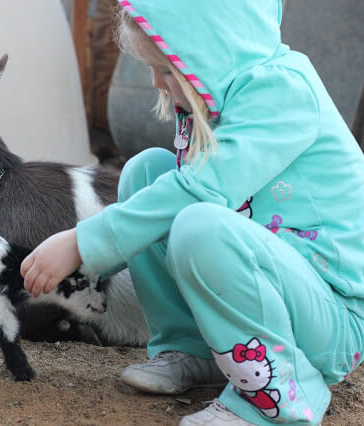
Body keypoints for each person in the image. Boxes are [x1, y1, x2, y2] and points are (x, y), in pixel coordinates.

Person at [20, 0, 364, 424]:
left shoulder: (284, 95)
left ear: (213, 53)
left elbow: (201, 190)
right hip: (277, 292)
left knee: (199, 221)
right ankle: (190, 346)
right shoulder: (230, 93)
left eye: (167, 69)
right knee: (145, 172)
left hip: (331, 321)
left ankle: (278, 396)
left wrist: (84, 241)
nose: (157, 83)